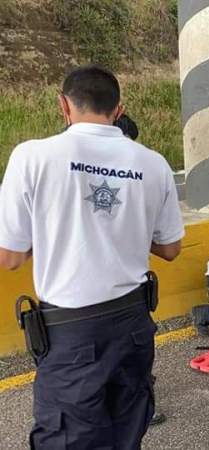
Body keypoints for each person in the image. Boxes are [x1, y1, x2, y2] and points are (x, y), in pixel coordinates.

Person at [0, 65, 184, 448]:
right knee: (126, 434)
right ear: (119, 110)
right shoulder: (153, 163)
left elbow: (11, 257)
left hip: (72, 334)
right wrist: (126, 227)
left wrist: (56, 230)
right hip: (134, 327)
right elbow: (169, 249)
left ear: (63, 106)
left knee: (68, 438)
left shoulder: (32, 157)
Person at [113, 112, 168, 428]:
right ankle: (140, 407)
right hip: (123, 294)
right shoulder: (138, 174)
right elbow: (170, 247)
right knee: (129, 354)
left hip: (79, 300)